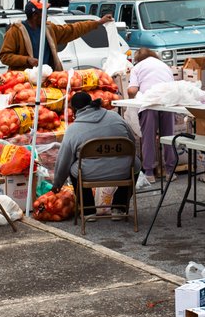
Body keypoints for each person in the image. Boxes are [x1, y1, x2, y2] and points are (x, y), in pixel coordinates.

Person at [51, 90, 140, 220]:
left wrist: (57, 184)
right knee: (136, 164)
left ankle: (88, 211)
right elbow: (132, 143)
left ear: (75, 110)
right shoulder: (115, 117)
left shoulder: (73, 129)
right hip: (123, 171)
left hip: (90, 173)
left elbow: (64, 160)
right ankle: (119, 208)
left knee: (73, 168)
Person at [0, 0, 113, 72]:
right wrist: (27, 60)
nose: (47, 16)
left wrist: (98, 23)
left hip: (48, 78)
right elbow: (4, 56)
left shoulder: (49, 29)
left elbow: (73, 29)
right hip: (24, 81)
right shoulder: (15, 31)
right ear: (35, 15)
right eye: (44, 13)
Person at [127, 47, 176, 188]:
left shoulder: (138, 67)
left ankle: (149, 172)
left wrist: (130, 101)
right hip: (167, 102)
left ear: (137, 59)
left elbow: (132, 90)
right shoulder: (164, 66)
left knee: (148, 138)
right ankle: (170, 171)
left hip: (148, 103)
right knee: (168, 137)